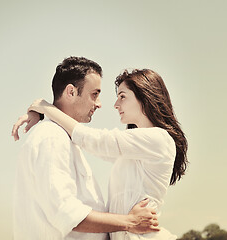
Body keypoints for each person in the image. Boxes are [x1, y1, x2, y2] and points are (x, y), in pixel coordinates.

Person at [13, 68, 188, 240]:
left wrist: (46, 108)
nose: (115, 104)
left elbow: (92, 139)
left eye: (122, 96)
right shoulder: (133, 151)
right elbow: (89, 142)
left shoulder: (159, 139)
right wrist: (41, 114)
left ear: (145, 97)